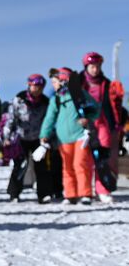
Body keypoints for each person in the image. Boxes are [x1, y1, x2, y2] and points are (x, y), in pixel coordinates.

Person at [39, 67, 99, 205]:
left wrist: (87, 119)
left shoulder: (80, 95)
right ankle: (70, 194)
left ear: (63, 81)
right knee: (67, 166)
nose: (53, 85)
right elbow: (49, 118)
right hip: (63, 138)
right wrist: (44, 134)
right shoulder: (56, 100)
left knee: (80, 164)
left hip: (80, 136)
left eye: (55, 82)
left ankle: (85, 194)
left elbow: (95, 109)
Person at [71, 51, 124, 204]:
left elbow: (114, 105)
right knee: (83, 159)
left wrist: (116, 123)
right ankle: (85, 191)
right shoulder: (77, 83)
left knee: (103, 158)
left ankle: (103, 189)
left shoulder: (107, 84)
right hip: (83, 125)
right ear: (86, 66)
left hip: (102, 124)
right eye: (92, 66)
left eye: (97, 66)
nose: (95, 69)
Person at [6, 74, 59, 202]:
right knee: (20, 165)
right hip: (21, 137)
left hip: (38, 138)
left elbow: (49, 121)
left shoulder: (45, 102)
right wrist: (7, 136)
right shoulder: (19, 99)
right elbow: (11, 119)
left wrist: (48, 138)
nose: (38, 89)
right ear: (29, 85)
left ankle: (44, 194)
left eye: (40, 87)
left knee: (41, 167)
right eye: (35, 86)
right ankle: (14, 193)